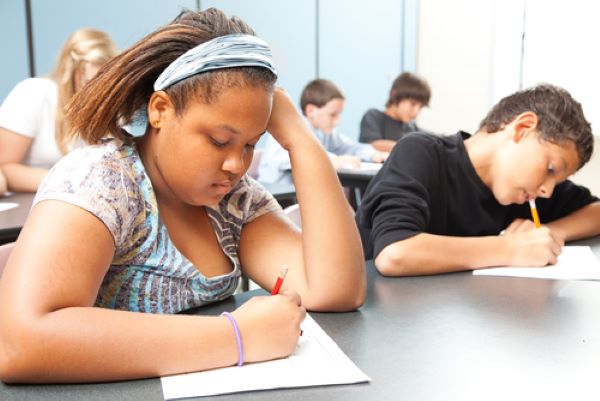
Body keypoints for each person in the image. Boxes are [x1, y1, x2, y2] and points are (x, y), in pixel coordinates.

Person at [0, 8, 365, 383]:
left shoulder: (233, 202)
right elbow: (19, 343)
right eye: (219, 141)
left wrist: (300, 140)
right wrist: (237, 337)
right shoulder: (102, 182)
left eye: (251, 145)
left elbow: (334, 290)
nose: (235, 165)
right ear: (160, 110)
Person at [356, 84, 600, 276]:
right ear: (523, 128)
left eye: (557, 182)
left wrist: (549, 233)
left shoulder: (526, 191)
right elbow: (394, 253)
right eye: (550, 168)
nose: (548, 191)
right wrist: (511, 249)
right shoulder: (420, 152)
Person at [0, 28, 117, 192]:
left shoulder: (111, 106)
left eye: (103, 82)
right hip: (31, 204)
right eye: (89, 82)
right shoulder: (33, 93)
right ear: (70, 73)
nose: (96, 92)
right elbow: (4, 168)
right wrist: (72, 181)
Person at [259, 78, 387, 184]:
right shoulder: (289, 128)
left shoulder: (324, 132)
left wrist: (373, 154)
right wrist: (333, 160)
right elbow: (287, 159)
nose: (337, 121)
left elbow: (350, 147)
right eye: (332, 115)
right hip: (280, 198)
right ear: (311, 111)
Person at [358, 72, 430, 152]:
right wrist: (412, 147)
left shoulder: (412, 128)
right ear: (395, 96)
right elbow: (372, 145)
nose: (416, 112)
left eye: (421, 107)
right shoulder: (374, 116)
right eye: (413, 104)